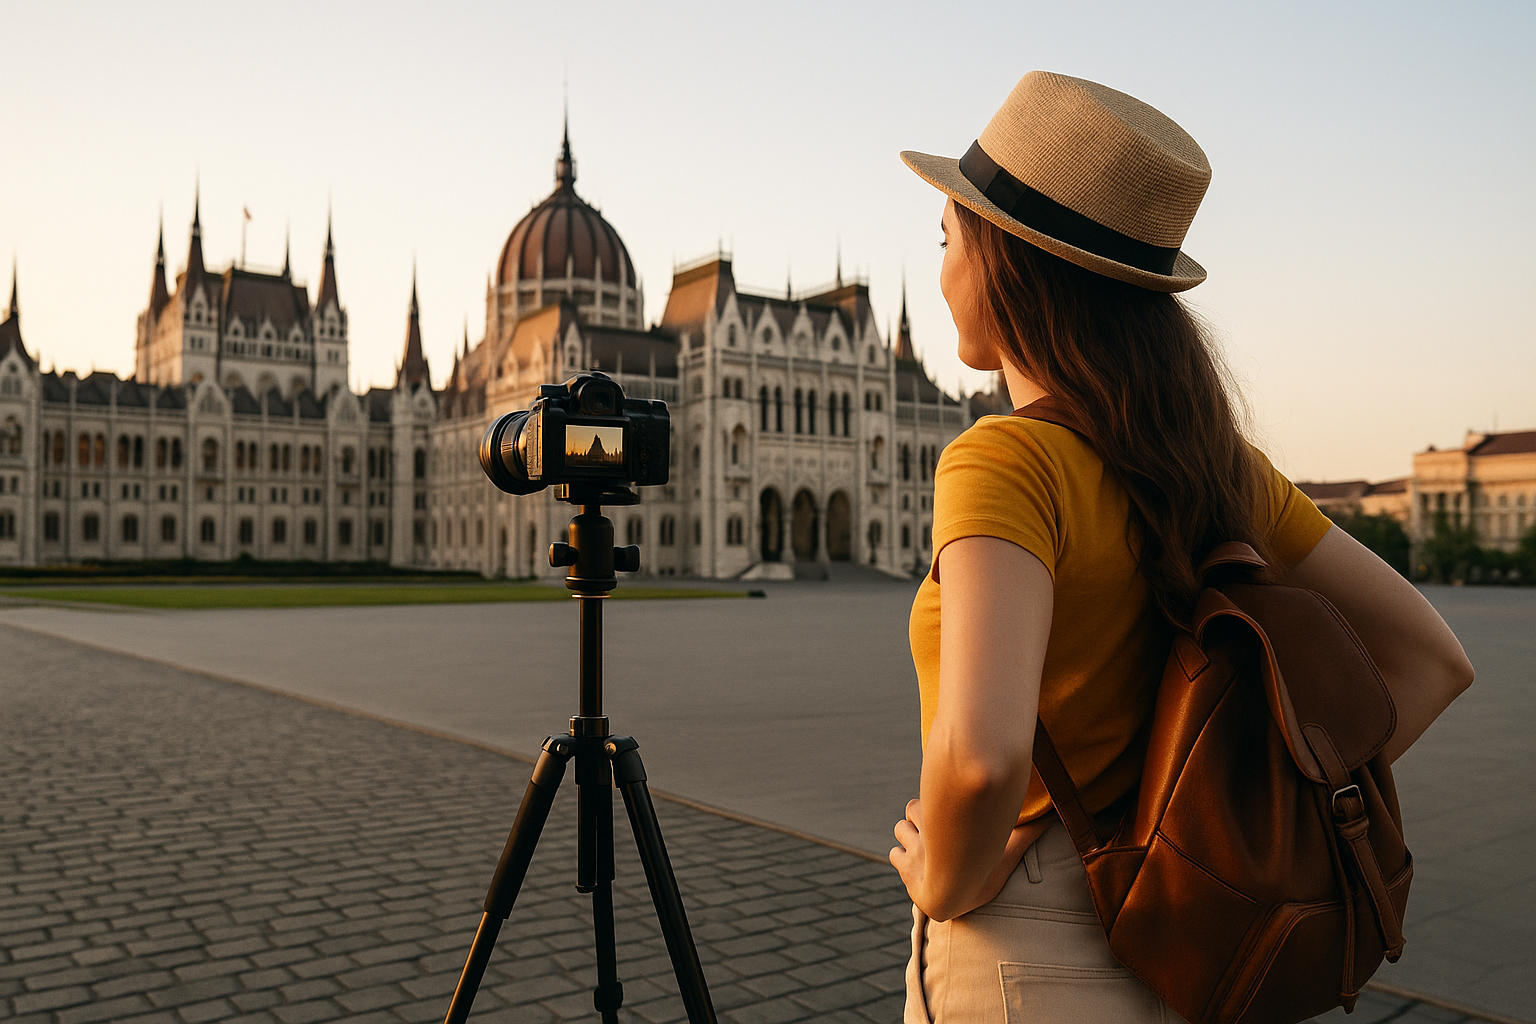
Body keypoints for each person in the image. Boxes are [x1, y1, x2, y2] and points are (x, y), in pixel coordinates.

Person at [891, 71, 1474, 1024]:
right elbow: (1430, 660)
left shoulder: (1002, 460)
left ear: (1005, 262)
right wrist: (1226, 825)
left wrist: (946, 879)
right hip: (1187, 944)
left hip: (1027, 950)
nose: (942, 266)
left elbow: (982, 761)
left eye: (947, 238)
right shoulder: (1216, 466)